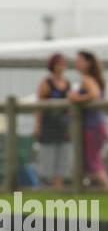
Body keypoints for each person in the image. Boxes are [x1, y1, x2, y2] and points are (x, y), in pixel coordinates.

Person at [67, 50, 108, 189]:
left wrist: (76, 98)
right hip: (96, 126)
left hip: (92, 127)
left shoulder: (87, 79)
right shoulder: (94, 79)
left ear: (89, 63)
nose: (77, 63)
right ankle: (82, 190)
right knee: (89, 162)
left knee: (94, 164)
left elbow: (94, 94)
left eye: (80, 60)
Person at [34, 52, 72, 188]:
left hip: (63, 127)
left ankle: (58, 189)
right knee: (46, 159)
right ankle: (43, 188)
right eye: (59, 64)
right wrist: (37, 125)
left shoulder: (67, 82)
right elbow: (38, 106)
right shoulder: (46, 83)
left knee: (62, 160)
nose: (62, 67)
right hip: (48, 126)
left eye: (63, 64)